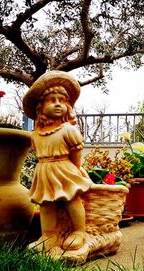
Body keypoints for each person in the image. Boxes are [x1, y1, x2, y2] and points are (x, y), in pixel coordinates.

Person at [22, 71, 92, 251]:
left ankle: (79, 232)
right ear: (41, 107)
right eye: (52, 100)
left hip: (65, 169)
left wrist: (77, 170)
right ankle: (49, 235)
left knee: (72, 200)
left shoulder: (68, 130)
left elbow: (76, 153)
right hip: (44, 170)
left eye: (62, 100)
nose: (58, 104)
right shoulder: (36, 134)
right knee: (46, 205)